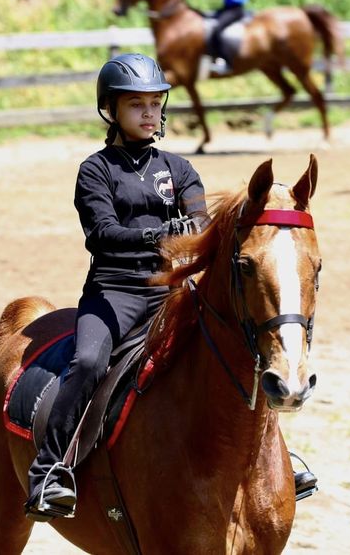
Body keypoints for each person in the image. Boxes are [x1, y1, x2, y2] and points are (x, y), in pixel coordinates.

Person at [24, 52, 210, 521]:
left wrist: (196, 232)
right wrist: (158, 234)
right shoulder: (96, 170)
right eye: (136, 104)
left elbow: (201, 225)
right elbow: (102, 234)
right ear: (111, 109)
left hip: (170, 291)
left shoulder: (180, 169)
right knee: (88, 362)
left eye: (155, 103)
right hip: (114, 293)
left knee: (234, 347)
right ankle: (48, 472)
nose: (149, 113)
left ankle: (277, 458)